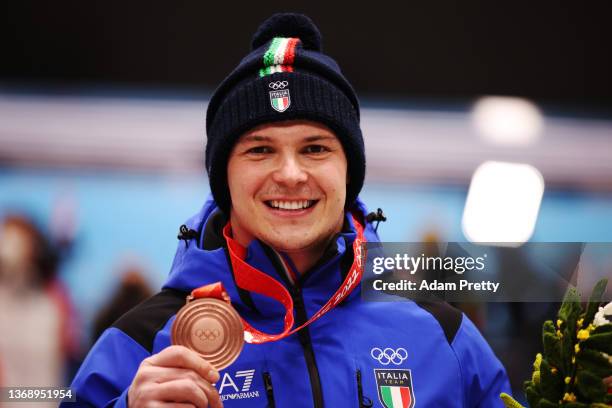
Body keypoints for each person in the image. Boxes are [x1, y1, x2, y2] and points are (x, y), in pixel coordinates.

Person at [66, 13, 511, 407]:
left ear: (349, 172)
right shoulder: (142, 343)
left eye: (315, 148)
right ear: (224, 180)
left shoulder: (443, 339)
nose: (291, 174)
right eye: (260, 150)